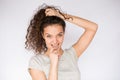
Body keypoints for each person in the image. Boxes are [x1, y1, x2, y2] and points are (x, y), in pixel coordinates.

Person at [25, 4, 98, 80]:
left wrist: (62, 16)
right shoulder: (37, 62)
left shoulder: (72, 55)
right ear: (43, 35)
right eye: (49, 36)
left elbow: (92, 27)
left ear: (64, 33)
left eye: (59, 35)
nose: (55, 41)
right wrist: (54, 64)